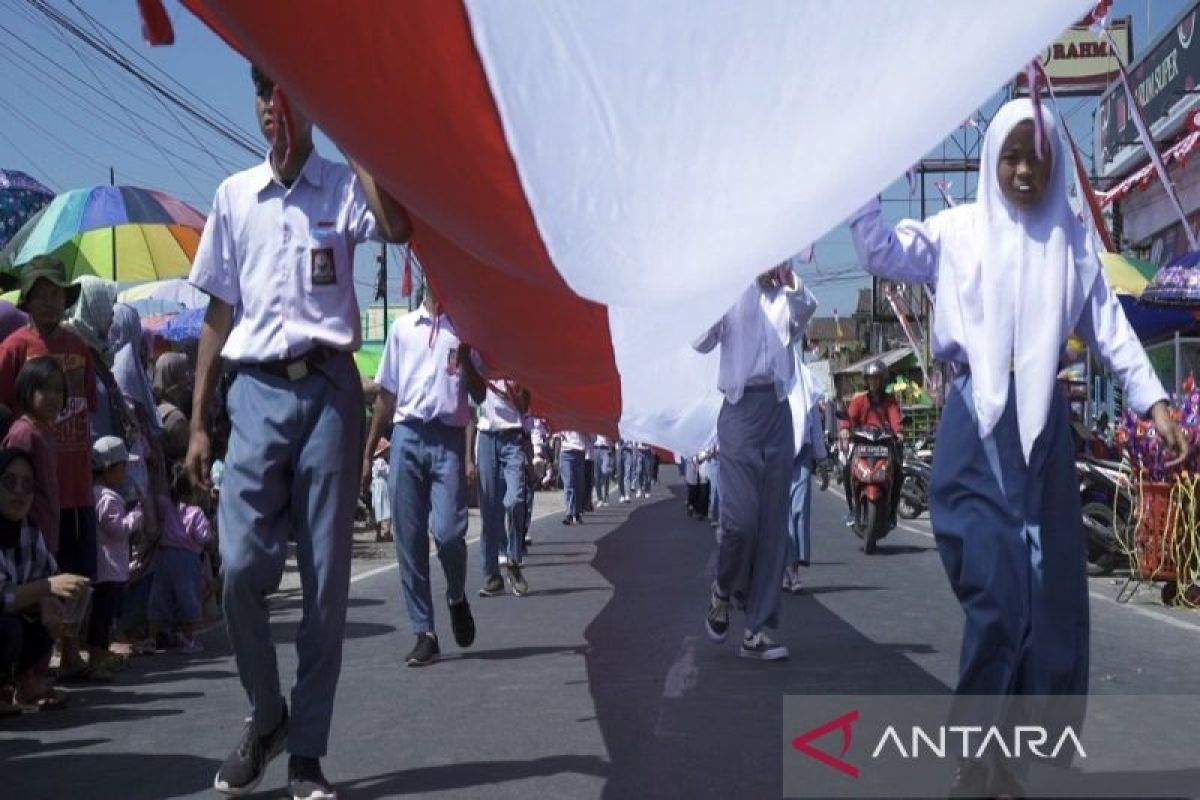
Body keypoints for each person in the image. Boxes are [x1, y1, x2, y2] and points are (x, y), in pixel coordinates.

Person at [847, 98, 1186, 796]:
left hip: (1046, 438)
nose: (1025, 170)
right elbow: (880, 250)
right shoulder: (956, 231)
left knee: (1046, 602)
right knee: (998, 595)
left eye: (1038, 156)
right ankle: (976, 754)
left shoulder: (1070, 241)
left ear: (1056, 160)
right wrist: (861, 177)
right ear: (991, 161)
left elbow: (1111, 333)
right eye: (1012, 156)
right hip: (976, 422)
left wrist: (1155, 403)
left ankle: (1006, 761)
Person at [186, 64, 411, 798]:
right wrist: (196, 421)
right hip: (252, 395)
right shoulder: (233, 198)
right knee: (242, 569)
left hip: (329, 393)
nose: (272, 109)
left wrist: (348, 127)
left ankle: (307, 751)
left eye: (286, 95)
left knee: (324, 589)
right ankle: (268, 713)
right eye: (262, 94)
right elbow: (218, 315)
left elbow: (397, 227)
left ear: (305, 105)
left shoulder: (342, 189)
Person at [693, 262, 817, 661]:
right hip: (740, 413)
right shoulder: (731, 286)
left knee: (772, 529)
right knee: (740, 523)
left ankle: (755, 631)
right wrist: (716, 293)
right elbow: (700, 340)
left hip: (777, 413)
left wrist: (787, 279)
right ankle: (722, 589)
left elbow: (805, 311)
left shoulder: (786, 292)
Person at [362, 283, 485, 667]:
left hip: (447, 438)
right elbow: (386, 397)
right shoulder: (402, 329)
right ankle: (424, 632)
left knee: (449, 534)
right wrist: (367, 453)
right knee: (409, 539)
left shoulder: (465, 329)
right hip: (406, 437)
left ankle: (455, 595)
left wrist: (466, 360)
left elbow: (479, 394)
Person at [0, 256, 98, 679]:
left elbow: (89, 405)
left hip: (77, 480)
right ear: (27, 300)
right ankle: (34, 669)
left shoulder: (78, 346)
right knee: (43, 572)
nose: (47, 302)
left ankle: (72, 652)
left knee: (81, 570)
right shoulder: (14, 347)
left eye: (55, 293)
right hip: (34, 488)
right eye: (39, 294)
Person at [0, 448, 90, 713]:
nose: (19, 491)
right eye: (9, 482)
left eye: (27, 485)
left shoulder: (29, 528)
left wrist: (55, 601)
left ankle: (24, 684)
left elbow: (51, 575)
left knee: (46, 618)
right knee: (8, 630)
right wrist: (47, 589)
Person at [469, 379, 531, 598]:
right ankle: (492, 575)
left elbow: (525, 407)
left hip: (512, 438)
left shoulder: (517, 361)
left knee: (515, 500)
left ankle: (514, 561)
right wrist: (468, 457)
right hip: (486, 438)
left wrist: (519, 388)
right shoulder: (480, 361)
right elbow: (471, 410)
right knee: (489, 509)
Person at [91, 435, 144, 675]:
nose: (125, 471)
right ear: (109, 468)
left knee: (104, 614)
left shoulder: (98, 493)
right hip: (108, 567)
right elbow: (117, 528)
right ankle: (98, 654)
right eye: (123, 466)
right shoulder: (106, 497)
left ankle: (101, 652)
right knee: (102, 615)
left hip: (107, 566)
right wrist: (136, 517)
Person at [3, 357, 67, 555]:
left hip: (44, 541)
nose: (53, 397)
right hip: (24, 543)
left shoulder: (45, 433)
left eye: (58, 390)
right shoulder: (23, 435)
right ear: (27, 390)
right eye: (45, 389)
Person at [148, 464, 211, 653]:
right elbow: (204, 537)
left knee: (160, 595)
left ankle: (154, 637)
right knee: (188, 596)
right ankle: (189, 638)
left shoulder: (165, 505)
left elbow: (157, 496)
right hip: (187, 558)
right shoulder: (196, 513)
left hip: (164, 555)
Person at [839, 359, 903, 527]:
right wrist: (845, 429)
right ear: (866, 381)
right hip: (862, 445)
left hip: (884, 445)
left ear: (883, 380)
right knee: (846, 469)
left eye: (876, 378)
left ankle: (892, 512)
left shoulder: (890, 401)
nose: (873, 382)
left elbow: (895, 417)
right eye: (870, 379)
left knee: (898, 471)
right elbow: (848, 417)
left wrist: (898, 432)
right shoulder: (859, 401)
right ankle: (852, 508)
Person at [783, 360, 826, 593]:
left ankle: (794, 569)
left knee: (799, 510)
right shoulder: (769, 372)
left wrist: (822, 458)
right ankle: (786, 570)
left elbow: (815, 424)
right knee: (782, 515)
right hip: (776, 452)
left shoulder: (806, 377)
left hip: (802, 454)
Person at [153, 353, 194, 464]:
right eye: (183, 373)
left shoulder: (152, 407)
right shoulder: (176, 418)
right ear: (175, 376)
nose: (188, 378)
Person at [558, 430, 587, 524]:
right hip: (565, 453)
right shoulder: (563, 420)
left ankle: (577, 512)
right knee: (568, 483)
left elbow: (592, 438)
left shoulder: (584, 422)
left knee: (579, 484)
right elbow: (555, 435)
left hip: (579, 453)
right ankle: (569, 514)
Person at [369, 439, 392, 542]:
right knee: (387, 508)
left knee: (377, 509)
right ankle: (387, 532)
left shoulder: (374, 463)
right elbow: (388, 472)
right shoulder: (382, 462)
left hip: (375, 487)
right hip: (383, 487)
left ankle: (377, 533)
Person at [593, 435, 614, 506]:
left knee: (605, 472)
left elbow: (614, 439)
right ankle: (600, 498)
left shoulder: (608, 425)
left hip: (606, 450)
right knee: (596, 477)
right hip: (595, 449)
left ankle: (606, 496)